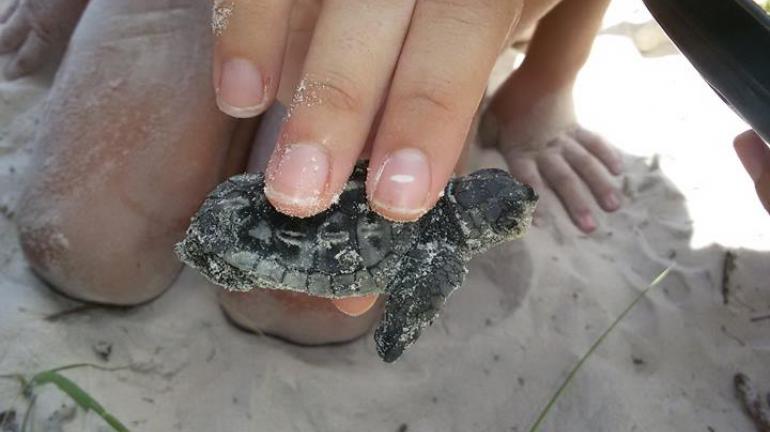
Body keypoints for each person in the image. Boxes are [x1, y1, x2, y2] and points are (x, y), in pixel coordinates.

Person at [4, 0, 620, 345]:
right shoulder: (441, 249)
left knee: (302, 309)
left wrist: (550, 73)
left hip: (432, 14)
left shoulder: (435, 236)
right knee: (88, 249)